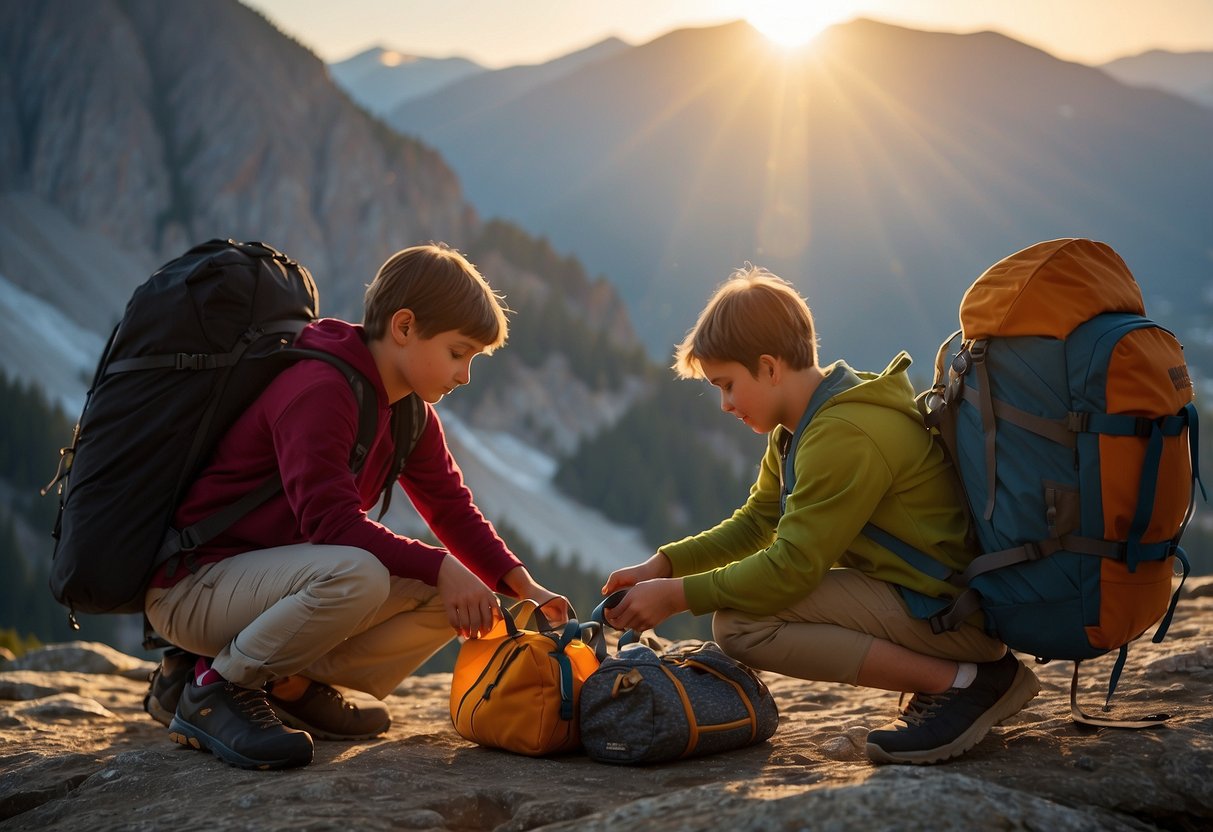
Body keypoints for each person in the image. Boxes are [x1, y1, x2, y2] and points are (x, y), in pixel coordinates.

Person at [143, 243, 569, 770]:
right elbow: (332, 525)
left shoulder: (406, 412)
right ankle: (215, 688)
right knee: (362, 574)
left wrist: (523, 586)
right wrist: (441, 565)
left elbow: (451, 509)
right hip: (192, 588)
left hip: (259, 591)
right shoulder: (319, 389)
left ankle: (289, 685)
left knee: (462, 602)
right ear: (405, 327)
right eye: (459, 353)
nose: (464, 376)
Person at [601, 265, 1040, 765]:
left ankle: (968, 683)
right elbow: (756, 521)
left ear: (769, 367)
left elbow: (792, 568)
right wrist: (664, 566)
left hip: (951, 614)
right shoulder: (801, 424)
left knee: (741, 627)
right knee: (739, 614)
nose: (724, 404)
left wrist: (679, 597)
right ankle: (960, 679)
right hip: (931, 599)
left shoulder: (841, 434)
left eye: (727, 385)